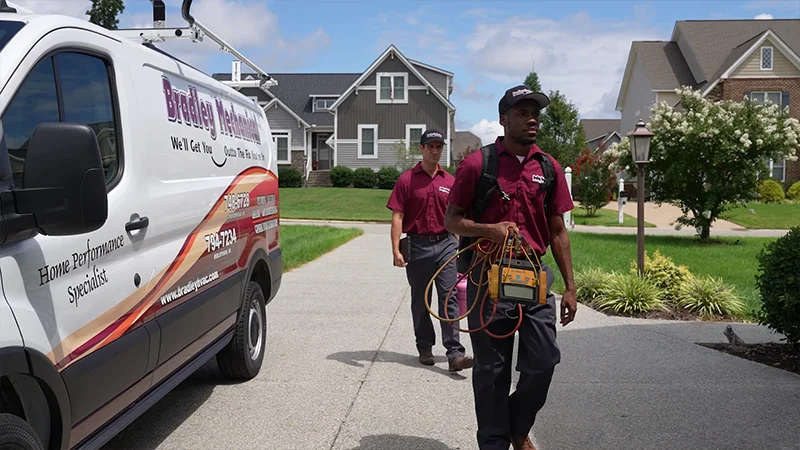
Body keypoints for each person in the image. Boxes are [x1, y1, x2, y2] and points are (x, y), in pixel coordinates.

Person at [443, 86, 578, 450]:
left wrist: (569, 286)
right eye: (522, 112)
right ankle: (494, 442)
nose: (532, 119)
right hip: (488, 278)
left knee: (544, 361)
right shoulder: (478, 164)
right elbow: (452, 220)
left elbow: (557, 230)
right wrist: (490, 230)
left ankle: (517, 427)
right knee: (491, 370)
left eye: (535, 113)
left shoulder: (548, 168)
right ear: (504, 119)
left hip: (533, 276)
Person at [386, 129, 474, 372]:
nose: (435, 151)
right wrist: (396, 250)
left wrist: (458, 245)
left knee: (449, 297)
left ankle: (455, 353)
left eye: (439, 147)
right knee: (421, 300)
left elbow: (458, 214)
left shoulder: (450, 180)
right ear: (421, 149)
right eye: (430, 146)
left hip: (446, 244)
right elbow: (398, 216)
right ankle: (424, 347)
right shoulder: (407, 180)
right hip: (418, 246)